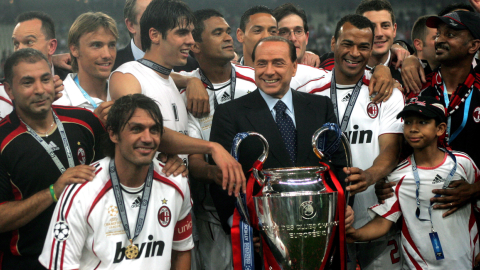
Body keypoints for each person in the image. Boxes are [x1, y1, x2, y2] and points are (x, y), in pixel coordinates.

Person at [210, 36, 353, 270]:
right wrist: (242, 229)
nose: (269, 71)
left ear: (294, 66)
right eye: (261, 63)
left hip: (318, 233)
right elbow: (221, 179)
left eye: (278, 63)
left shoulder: (320, 106)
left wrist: (342, 206)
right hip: (263, 244)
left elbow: (337, 165)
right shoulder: (229, 113)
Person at [297, 14, 404, 270]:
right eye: (347, 44)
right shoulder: (307, 92)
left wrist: (369, 176)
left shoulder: (386, 92)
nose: (354, 53)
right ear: (333, 42)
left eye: (363, 47)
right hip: (323, 214)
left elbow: (391, 149)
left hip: (375, 213)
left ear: (371, 50)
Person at [39, 94, 193, 269]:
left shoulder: (176, 183)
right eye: (136, 129)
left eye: (154, 130)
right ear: (113, 133)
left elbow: (181, 251)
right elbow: (61, 265)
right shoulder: (82, 190)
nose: (148, 138)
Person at [0, 48, 104, 270]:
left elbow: (119, 170)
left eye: (45, 79)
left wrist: (169, 160)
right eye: (28, 83)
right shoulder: (2, 140)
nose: (40, 90)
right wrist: (53, 192)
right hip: (29, 261)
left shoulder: (85, 122)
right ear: (9, 89)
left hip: (87, 257)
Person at [347, 96, 480, 269]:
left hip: (468, 261)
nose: (413, 129)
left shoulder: (463, 163)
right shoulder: (398, 175)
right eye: (408, 123)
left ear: (440, 129)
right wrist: (355, 234)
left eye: (422, 122)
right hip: (419, 266)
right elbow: (383, 222)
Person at [181, 9, 257, 270]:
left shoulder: (256, 80)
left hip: (261, 206)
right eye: (217, 33)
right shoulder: (184, 92)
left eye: (227, 31)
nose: (228, 37)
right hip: (211, 215)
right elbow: (194, 162)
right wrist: (222, 174)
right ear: (196, 47)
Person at [387, 11, 480, 217]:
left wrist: (475, 189)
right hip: (423, 204)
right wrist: (389, 181)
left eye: (451, 35)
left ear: (473, 45)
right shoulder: (416, 84)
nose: (440, 40)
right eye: (438, 34)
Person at [53, 12, 117, 122]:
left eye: (111, 45)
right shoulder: (58, 104)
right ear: (74, 50)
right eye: (97, 45)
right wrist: (93, 126)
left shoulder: (123, 94)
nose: (107, 55)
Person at [0, 11, 65, 118]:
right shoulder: (4, 91)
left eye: (29, 42)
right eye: (16, 44)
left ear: (51, 46)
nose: (19, 49)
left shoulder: (74, 79)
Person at [113, 0, 198, 73]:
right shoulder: (112, 66)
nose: (161, 21)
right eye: (151, 16)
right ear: (131, 25)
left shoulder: (192, 67)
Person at [273, 3, 320, 67]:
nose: (293, 38)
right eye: (284, 32)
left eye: (298, 31)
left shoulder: (324, 73)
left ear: (306, 38)